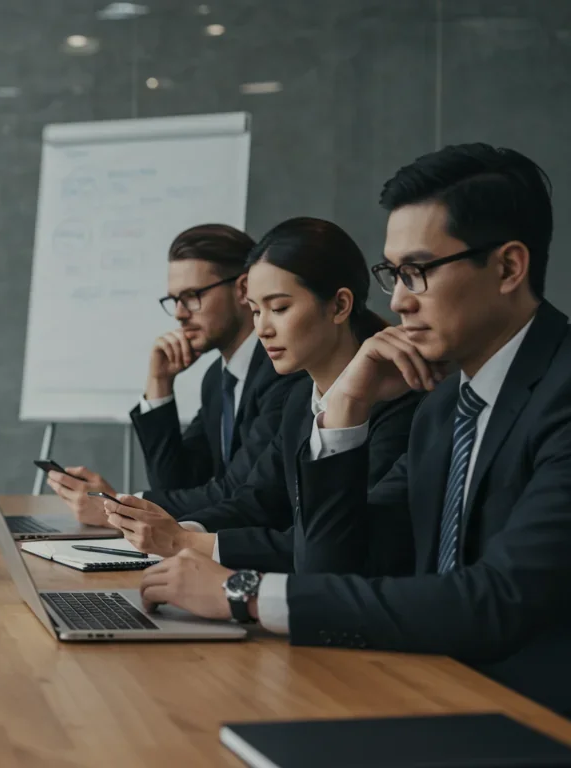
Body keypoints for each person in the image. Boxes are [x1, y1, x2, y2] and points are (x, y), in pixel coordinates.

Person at [135, 144, 571, 715]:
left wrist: (241, 593)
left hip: (532, 718)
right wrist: (346, 411)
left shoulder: (558, 394)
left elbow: (495, 601)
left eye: (417, 272)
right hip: (419, 690)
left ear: (509, 267)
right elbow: (337, 565)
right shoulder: (445, 406)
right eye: (393, 274)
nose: (399, 301)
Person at [91, 217, 423, 575]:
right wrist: (177, 531)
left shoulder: (402, 404)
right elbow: (256, 499)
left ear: (340, 306)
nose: (263, 328)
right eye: (255, 310)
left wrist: (184, 541)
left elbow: (341, 544)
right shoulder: (300, 400)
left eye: (279, 308)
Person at [48, 224, 301, 515]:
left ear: (243, 289)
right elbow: (175, 483)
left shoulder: (282, 371)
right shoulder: (218, 380)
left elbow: (239, 492)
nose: (180, 313)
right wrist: (160, 382)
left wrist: (117, 506)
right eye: (175, 300)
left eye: (192, 296)